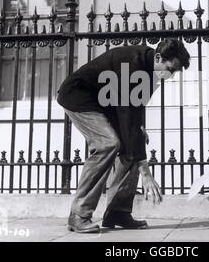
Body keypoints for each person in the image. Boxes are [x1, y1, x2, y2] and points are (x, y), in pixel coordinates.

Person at [57, 39, 190, 233]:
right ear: (159, 57)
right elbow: (127, 113)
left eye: (175, 72)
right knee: (107, 144)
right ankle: (79, 215)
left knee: (134, 142)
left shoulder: (150, 69)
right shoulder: (131, 65)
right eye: (170, 68)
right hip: (79, 97)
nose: (170, 75)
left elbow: (135, 107)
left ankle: (117, 212)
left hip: (105, 102)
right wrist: (146, 174)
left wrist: (140, 128)